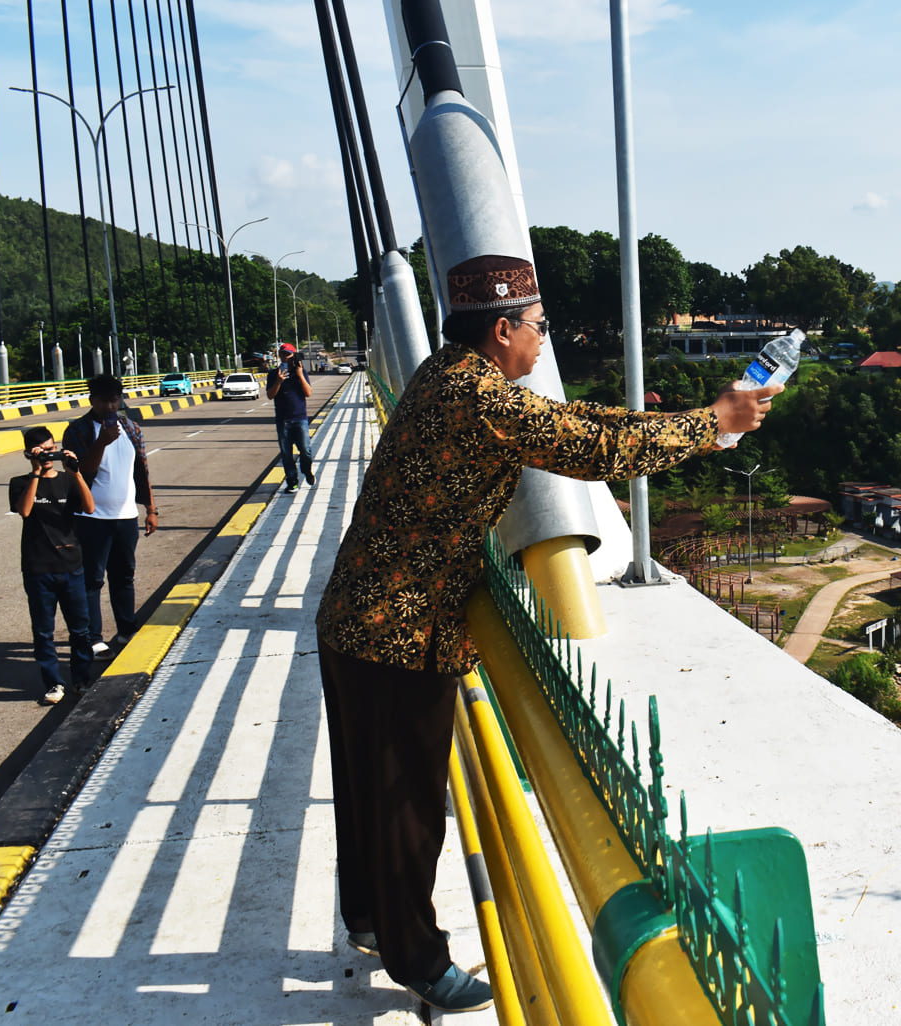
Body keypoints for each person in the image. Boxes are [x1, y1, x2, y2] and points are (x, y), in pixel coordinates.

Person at [314, 254, 779, 1013]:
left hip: (355, 620)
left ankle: (368, 917)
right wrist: (713, 424)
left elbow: (579, 423)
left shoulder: (448, 376)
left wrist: (681, 422)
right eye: (538, 327)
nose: (542, 341)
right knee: (406, 804)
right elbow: (592, 450)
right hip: (401, 633)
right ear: (502, 330)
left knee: (363, 788)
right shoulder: (476, 396)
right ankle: (418, 959)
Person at [63, 374, 159, 657]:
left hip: (125, 516)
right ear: (91, 400)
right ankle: (94, 638)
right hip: (92, 518)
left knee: (124, 576)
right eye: (104, 400)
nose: (109, 406)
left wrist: (150, 509)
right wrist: (102, 443)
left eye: (114, 400)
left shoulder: (130, 428)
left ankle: (126, 630)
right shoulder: (78, 431)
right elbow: (82, 471)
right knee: (92, 579)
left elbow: (141, 471)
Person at [9, 426, 96, 705]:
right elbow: (24, 510)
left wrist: (76, 472)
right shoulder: (20, 482)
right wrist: (36, 471)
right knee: (44, 632)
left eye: (50, 449)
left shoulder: (68, 481)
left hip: (71, 566)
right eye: (41, 451)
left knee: (80, 630)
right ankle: (53, 683)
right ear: (28, 453)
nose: (48, 455)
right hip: (38, 569)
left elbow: (90, 507)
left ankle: (81, 678)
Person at [265, 342, 314, 493]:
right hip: (283, 419)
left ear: (293, 356)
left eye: (289, 354)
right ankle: (292, 481)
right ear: (279, 356)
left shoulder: (300, 371)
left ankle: (306, 470)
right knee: (286, 453)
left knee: (305, 450)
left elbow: (308, 393)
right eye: (283, 354)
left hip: (300, 418)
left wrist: (299, 375)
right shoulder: (274, 374)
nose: (286, 357)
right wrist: (279, 381)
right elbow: (270, 395)